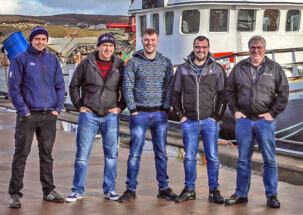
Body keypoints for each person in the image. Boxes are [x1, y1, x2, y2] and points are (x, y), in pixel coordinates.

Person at [224, 35, 289, 209]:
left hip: (264, 121)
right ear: (248, 49)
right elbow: (229, 92)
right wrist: (235, 112)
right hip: (244, 121)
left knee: (269, 159)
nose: (256, 50)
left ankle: (272, 195)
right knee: (243, 159)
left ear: (264, 49)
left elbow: (283, 93)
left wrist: (272, 113)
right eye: (253, 47)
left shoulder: (274, 68)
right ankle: (241, 193)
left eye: (259, 47)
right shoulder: (239, 68)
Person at [8, 26, 65, 209]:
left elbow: (60, 86)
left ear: (46, 41)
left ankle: (48, 190)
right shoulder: (20, 60)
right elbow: (13, 89)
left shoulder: (52, 60)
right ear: (31, 40)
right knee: (21, 155)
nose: (40, 42)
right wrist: (24, 110)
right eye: (37, 39)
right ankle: (15, 194)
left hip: (49, 115)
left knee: (47, 155)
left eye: (43, 39)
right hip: (28, 116)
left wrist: (57, 109)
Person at [118, 28, 177, 203]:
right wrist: (133, 109)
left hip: (159, 114)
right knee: (135, 153)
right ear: (141, 41)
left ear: (157, 41)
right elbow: (127, 86)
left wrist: (165, 108)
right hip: (140, 114)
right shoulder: (133, 62)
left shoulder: (165, 63)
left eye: (152, 40)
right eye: (146, 40)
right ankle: (130, 189)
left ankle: (164, 188)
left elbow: (169, 87)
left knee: (161, 153)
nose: (149, 43)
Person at [66, 33, 125, 202]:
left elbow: (126, 89)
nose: (107, 49)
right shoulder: (86, 64)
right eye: (104, 45)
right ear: (99, 46)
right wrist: (79, 106)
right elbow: (74, 86)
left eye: (111, 46)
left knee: (112, 155)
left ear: (114, 48)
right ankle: (77, 190)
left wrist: (120, 107)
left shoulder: (120, 66)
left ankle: (110, 189)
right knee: (82, 155)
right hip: (89, 115)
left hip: (110, 116)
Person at [171, 36, 227, 204]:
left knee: (212, 156)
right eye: (197, 47)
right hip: (189, 121)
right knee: (189, 157)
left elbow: (223, 95)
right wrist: (181, 115)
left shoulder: (216, 69)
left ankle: (214, 190)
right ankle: (189, 189)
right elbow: (175, 94)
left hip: (209, 121)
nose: (200, 50)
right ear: (193, 48)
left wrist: (216, 117)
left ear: (208, 48)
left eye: (203, 47)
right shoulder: (183, 69)